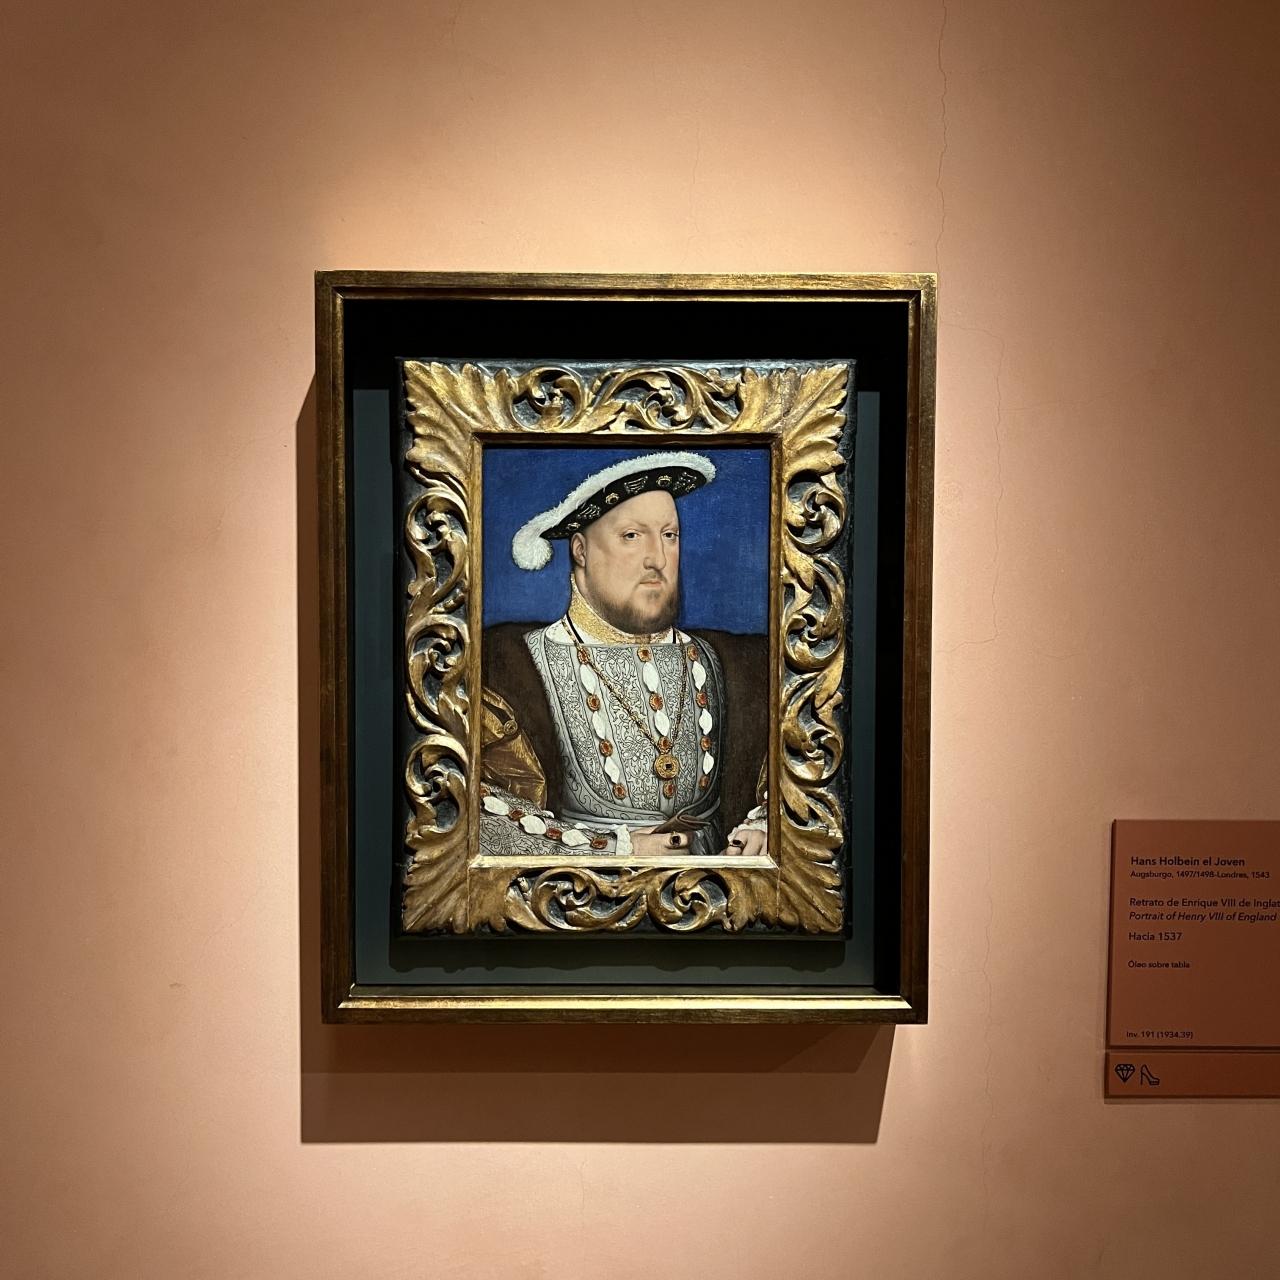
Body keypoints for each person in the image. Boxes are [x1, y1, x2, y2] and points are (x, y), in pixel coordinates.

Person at [479, 450, 768, 860]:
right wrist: (614, 849)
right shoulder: (507, 667)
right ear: (580, 551)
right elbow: (468, 808)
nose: (657, 559)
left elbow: (798, 768)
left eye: (669, 535)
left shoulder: (737, 662)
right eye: (632, 536)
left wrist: (765, 825)